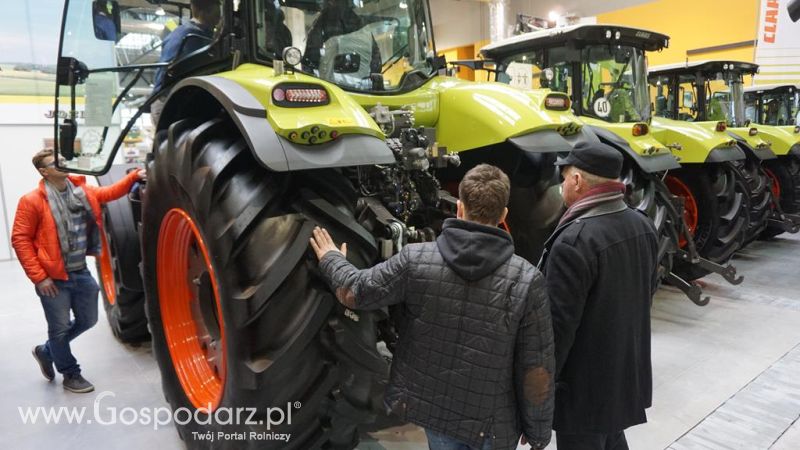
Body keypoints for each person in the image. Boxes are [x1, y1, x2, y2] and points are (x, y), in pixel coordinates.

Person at [309, 164, 555, 450]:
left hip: (436, 415)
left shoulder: (415, 260)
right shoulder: (527, 280)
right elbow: (536, 366)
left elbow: (356, 292)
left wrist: (330, 259)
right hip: (492, 426)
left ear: (460, 208)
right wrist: (538, 431)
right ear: (503, 215)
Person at [539, 142, 658, 450]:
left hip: (584, 394)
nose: (562, 185)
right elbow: (647, 293)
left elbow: (558, 329)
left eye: (564, 177)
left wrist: (538, 392)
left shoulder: (575, 241)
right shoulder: (642, 225)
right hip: (624, 375)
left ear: (577, 181)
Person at [12, 149, 145, 393]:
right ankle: (71, 374)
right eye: (56, 163)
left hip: (80, 271)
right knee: (60, 328)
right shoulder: (31, 201)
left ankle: (46, 351)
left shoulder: (81, 191)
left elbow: (108, 193)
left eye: (63, 160)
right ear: (44, 171)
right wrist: (40, 278)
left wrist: (135, 175)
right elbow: (20, 239)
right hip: (53, 278)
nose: (63, 164)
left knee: (88, 320)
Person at [151, 0, 220, 126]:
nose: (219, 17)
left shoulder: (204, 35)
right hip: (169, 103)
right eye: (216, 13)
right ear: (202, 11)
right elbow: (170, 73)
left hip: (177, 101)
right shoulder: (189, 36)